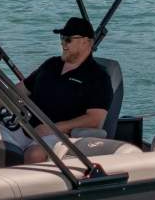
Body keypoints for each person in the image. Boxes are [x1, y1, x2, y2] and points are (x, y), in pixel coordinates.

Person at [12, 16, 113, 164]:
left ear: (86, 42)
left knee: (34, 155)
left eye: (68, 39)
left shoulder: (98, 77)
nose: (63, 43)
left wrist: (53, 128)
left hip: (60, 135)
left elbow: (95, 119)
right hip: (24, 126)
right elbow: (20, 90)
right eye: (62, 38)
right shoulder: (51, 64)